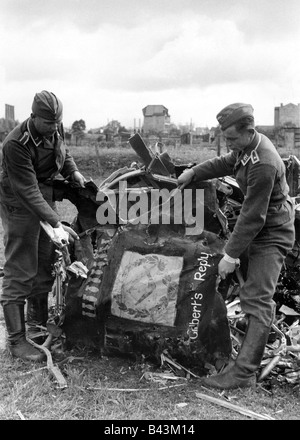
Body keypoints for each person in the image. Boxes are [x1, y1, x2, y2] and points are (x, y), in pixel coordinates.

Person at [177, 103, 295, 389]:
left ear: (250, 131)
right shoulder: (246, 148)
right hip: (258, 226)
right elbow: (227, 162)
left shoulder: (264, 162)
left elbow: (253, 217)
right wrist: (194, 173)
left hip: (272, 232)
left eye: (232, 139)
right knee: (222, 273)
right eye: (226, 138)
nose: (229, 144)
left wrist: (231, 254)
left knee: (257, 298)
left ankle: (243, 373)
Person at [0, 90, 86, 362]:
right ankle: (16, 342)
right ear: (33, 116)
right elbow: (26, 188)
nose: (53, 129)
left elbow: (63, 152)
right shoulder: (16, 144)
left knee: (44, 262)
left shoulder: (54, 128)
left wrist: (72, 171)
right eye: (48, 123)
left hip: (42, 196)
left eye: (56, 123)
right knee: (21, 267)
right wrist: (53, 220)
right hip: (18, 202)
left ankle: (37, 330)